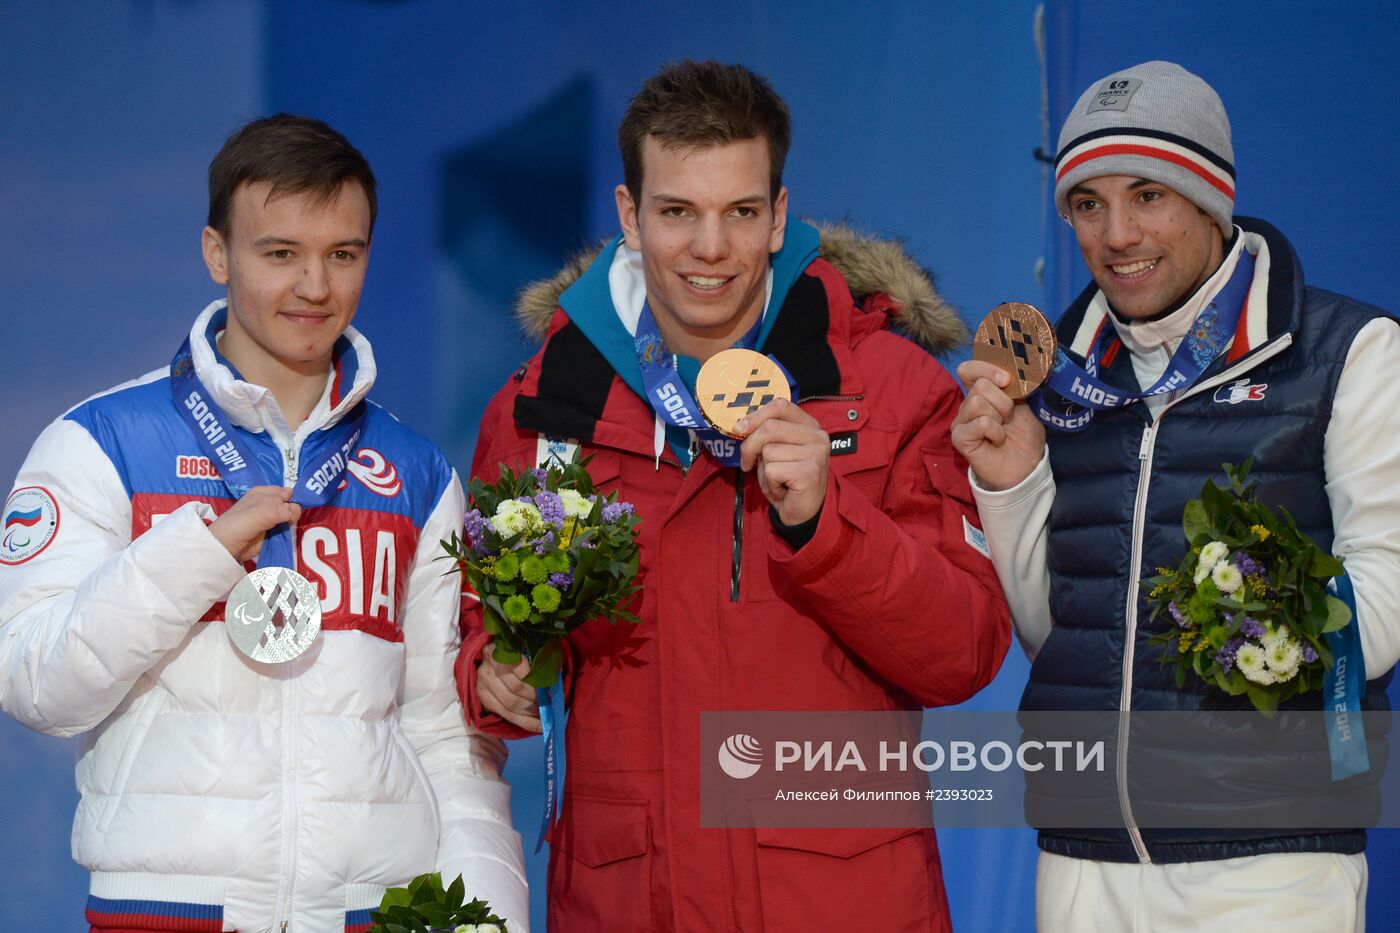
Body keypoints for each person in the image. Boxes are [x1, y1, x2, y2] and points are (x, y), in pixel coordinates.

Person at [457, 59, 1010, 931]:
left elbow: (964, 652)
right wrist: (491, 676)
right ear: (630, 216)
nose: (710, 249)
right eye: (678, 212)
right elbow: (475, 629)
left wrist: (831, 523)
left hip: (841, 904)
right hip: (628, 900)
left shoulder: (889, 388)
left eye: (740, 213)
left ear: (780, 215)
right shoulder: (541, 407)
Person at [0, 115, 527, 932]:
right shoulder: (101, 442)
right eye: (280, 253)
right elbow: (34, 683)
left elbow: (443, 733)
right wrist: (201, 554)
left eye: (342, 255)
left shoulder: (418, 474)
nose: (314, 287)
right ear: (218, 253)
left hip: (370, 912)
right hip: (169, 909)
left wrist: (483, 918)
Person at [953, 60, 1400, 931]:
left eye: (1148, 194)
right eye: (1088, 204)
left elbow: (1381, 616)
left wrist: (1232, 605)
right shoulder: (1064, 378)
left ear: (1210, 201)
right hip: (1083, 859)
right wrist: (1010, 487)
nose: (1117, 234)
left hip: (1270, 858)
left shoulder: (1351, 353)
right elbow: (1060, 631)